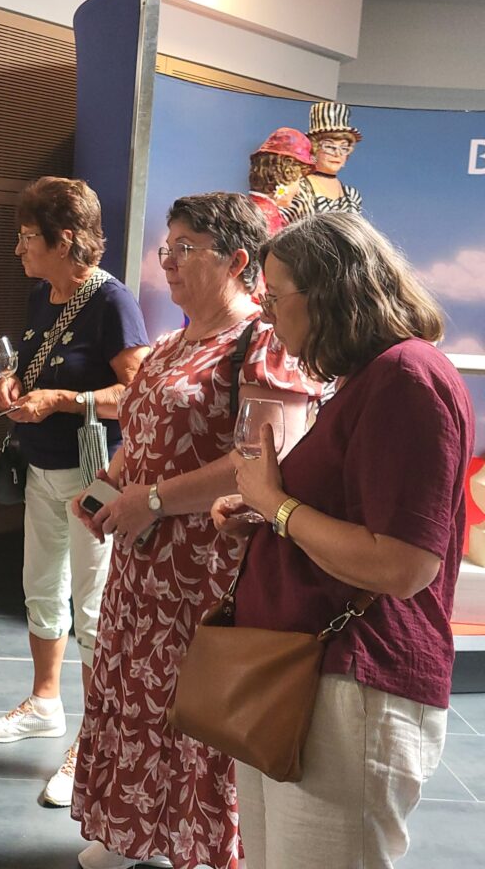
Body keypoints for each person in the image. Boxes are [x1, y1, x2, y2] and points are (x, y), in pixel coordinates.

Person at [213, 212, 473, 869]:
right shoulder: (374, 378)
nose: (266, 313)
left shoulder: (406, 378)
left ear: (330, 293)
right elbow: (354, 517)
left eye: (276, 296)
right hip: (308, 676)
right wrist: (268, 514)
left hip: (355, 680)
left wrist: (277, 506)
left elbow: (403, 565)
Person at [70, 192, 319, 869]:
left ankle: (199, 847)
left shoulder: (262, 344)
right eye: (167, 248)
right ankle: (135, 832)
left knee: (197, 705)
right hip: (142, 564)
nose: (169, 263)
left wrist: (153, 500)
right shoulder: (170, 343)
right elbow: (142, 435)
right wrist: (105, 488)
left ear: (238, 261)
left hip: (206, 571)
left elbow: (260, 464)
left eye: (185, 249)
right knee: (136, 695)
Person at [0, 176, 150, 808]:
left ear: (65, 239)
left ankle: (94, 743)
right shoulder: (41, 295)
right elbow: (35, 366)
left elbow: (138, 394)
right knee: (41, 590)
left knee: (95, 609)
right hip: (41, 468)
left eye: (28, 237)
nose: (18, 249)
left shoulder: (113, 302)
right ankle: (45, 704)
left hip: (93, 477)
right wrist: (14, 386)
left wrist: (64, 400)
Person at [280, 102, 363, 223]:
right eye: (329, 146)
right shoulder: (298, 188)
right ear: (314, 149)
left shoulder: (352, 195)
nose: (337, 153)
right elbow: (279, 227)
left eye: (344, 148)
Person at [246, 127, 315, 234]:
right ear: (283, 176)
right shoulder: (269, 218)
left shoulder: (245, 208)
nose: (298, 191)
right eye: (299, 180)